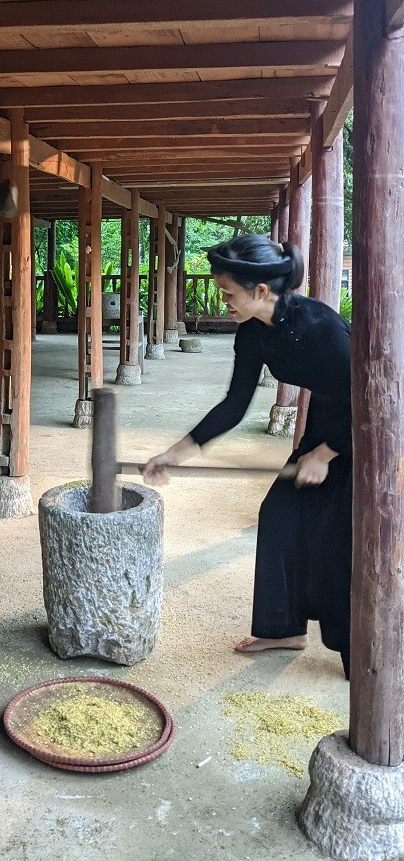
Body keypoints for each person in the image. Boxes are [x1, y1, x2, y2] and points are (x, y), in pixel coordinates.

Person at [144, 234, 352, 679]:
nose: (224, 303)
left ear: (260, 291)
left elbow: (370, 395)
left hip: (363, 428)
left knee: (340, 540)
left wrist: (327, 453)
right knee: (279, 513)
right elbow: (235, 404)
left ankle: (363, 654)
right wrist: (178, 452)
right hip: (325, 423)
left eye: (227, 293)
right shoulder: (253, 332)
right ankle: (284, 629)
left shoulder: (322, 328)